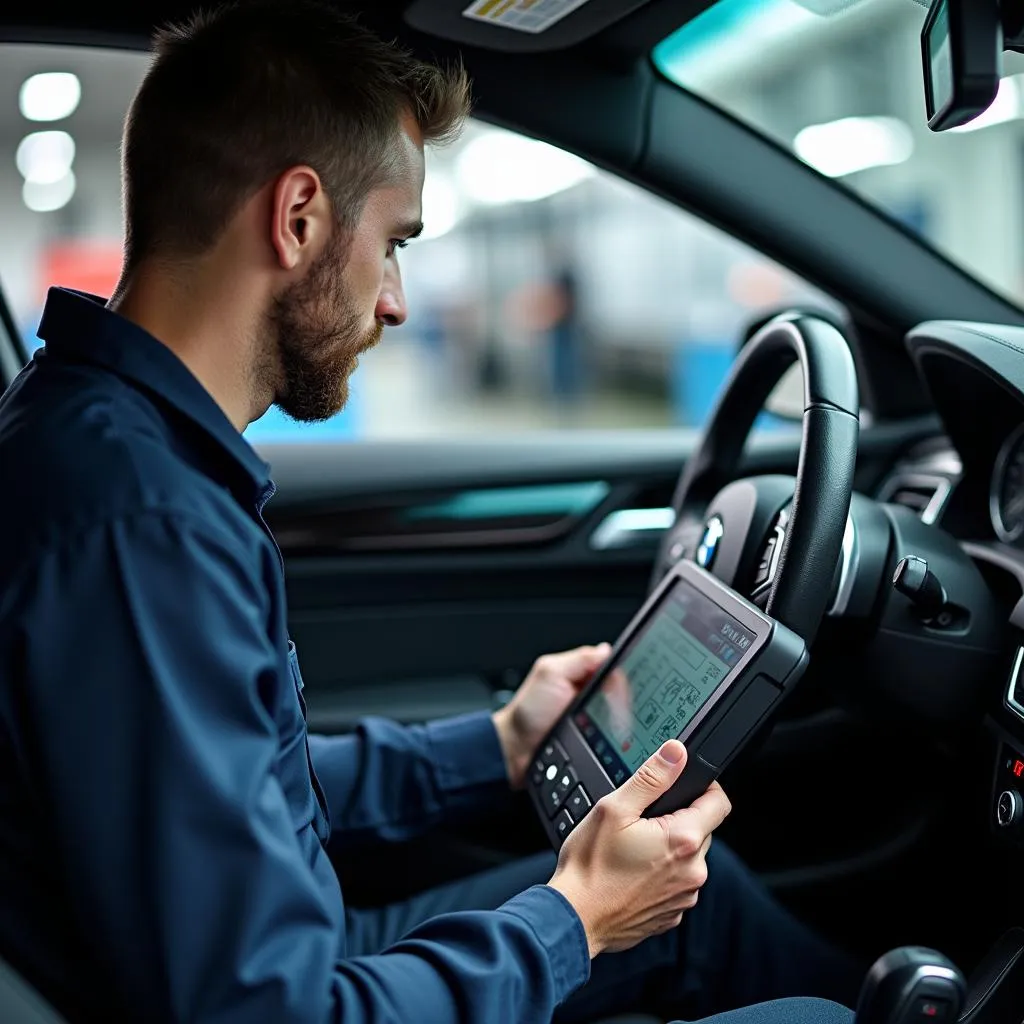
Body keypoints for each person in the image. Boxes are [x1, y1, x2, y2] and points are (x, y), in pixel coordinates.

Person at [0, 2, 862, 1022]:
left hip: (280, 954)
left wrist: (502, 740)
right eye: (395, 243)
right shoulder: (141, 523)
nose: (396, 299)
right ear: (300, 218)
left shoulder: (110, 447)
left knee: (704, 916)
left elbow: (251, 789)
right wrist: (575, 917)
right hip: (288, 990)